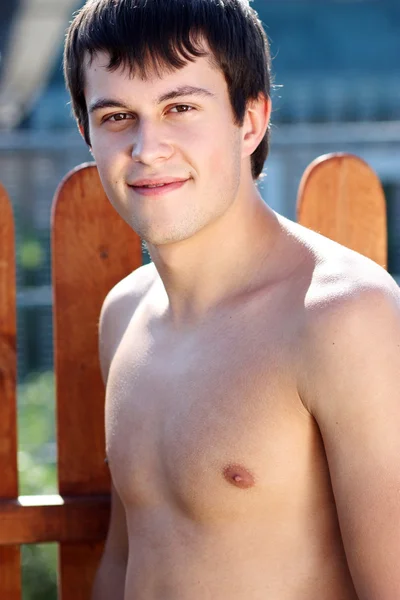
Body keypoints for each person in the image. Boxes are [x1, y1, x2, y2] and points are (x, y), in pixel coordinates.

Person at [63, 1, 400, 598]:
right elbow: (124, 561)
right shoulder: (124, 314)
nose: (147, 146)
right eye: (117, 115)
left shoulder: (343, 316)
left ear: (251, 120)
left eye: (181, 108)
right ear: (87, 133)